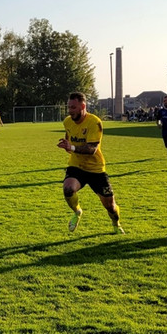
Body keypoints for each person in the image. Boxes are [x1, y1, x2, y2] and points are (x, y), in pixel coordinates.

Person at [56, 91, 124, 234]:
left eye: (73, 108)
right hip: (76, 166)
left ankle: (116, 224)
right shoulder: (67, 121)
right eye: (69, 107)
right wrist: (67, 145)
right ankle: (77, 211)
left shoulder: (94, 122)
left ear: (83, 106)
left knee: (110, 206)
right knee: (68, 189)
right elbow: (69, 136)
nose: (70, 111)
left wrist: (72, 147)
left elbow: (92, 148)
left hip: (96, 169)